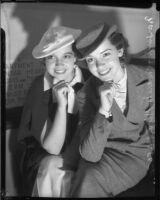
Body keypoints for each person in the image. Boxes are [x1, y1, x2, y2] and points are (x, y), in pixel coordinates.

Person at [68, 22, 155, 197]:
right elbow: (90, 155)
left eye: (106, 54)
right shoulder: (85, 93)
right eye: (91, 60)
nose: (100, 66)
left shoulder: (149, 78)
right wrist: (104, 110)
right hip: (100, 152)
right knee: (89, 177)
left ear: (120, 51)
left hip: (135, 155)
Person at [17, 25, 85, 196]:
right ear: (44, 61)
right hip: (43, 155)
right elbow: (53, 148)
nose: (59, 64)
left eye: (66, 56)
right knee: (56, 167)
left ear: (75, 58)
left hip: (82, 148)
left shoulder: (91, 80)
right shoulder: (39, 87)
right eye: (51, 57)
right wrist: (62, 105)